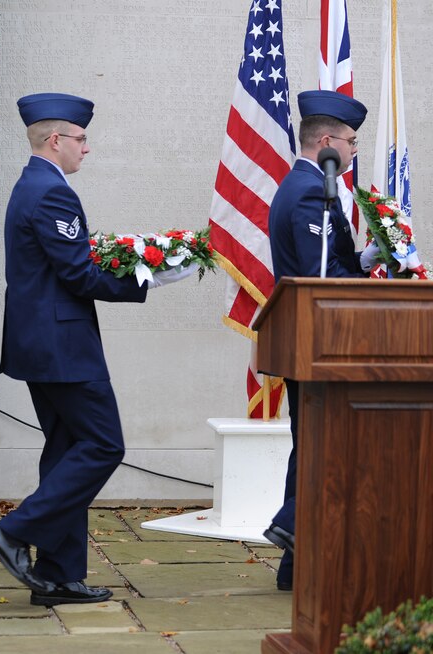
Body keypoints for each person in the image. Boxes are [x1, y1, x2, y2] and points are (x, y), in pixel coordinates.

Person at [0, 93, 197, 606]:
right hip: (62, 347)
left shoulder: (35, 184)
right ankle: (13, 532)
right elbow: (77, 273)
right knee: (103, 446)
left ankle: (57, 576)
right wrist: (152, 278)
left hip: (43, 343)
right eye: (81, 138)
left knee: (64, 452)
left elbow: (70, 258)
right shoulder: (51, 192)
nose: (87, 148)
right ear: (55, 140)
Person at [264, 89, 373, 591]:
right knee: (326, 447)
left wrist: (367, 262)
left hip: (308, 342)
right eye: (351, 142)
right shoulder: (311, 191)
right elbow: (320, 276)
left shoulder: (301, 186)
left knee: (308, 446)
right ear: (326, 142)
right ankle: (290, 525)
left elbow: (331, 264)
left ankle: (296, 568)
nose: (354, 150)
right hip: (321, 342)